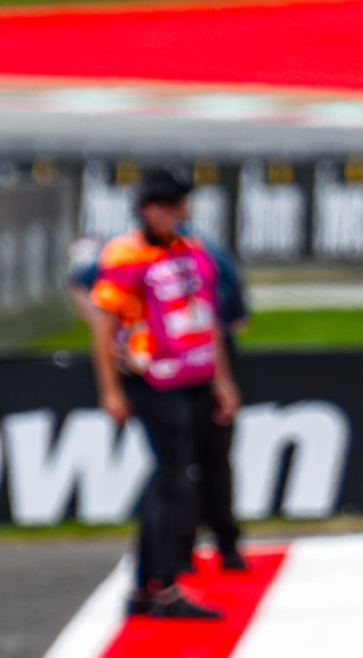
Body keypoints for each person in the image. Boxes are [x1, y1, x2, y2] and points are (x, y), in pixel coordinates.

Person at [88, 165, 241, 618]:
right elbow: (103, 328)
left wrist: (223, 380)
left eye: (177, 205)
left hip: (193, 374)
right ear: (145, 209)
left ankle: (145, 587)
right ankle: (163, 585)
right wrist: (110, 391)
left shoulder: (192, 251)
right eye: (163, 206)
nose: (171, 213)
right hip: (150, 378)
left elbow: (208, 318)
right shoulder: (123, 255)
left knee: (173, 478)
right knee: (173, 480)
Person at [72, 219, 249, 573]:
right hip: (158, 370)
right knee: (175, 470)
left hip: (196, 366)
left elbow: (223, 318)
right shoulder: (127, 255)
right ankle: (171, 562)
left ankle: (214, 545)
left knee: (201, 463)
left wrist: (220, 379)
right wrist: (113, 342)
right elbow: (92, 295)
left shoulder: (203, 255)